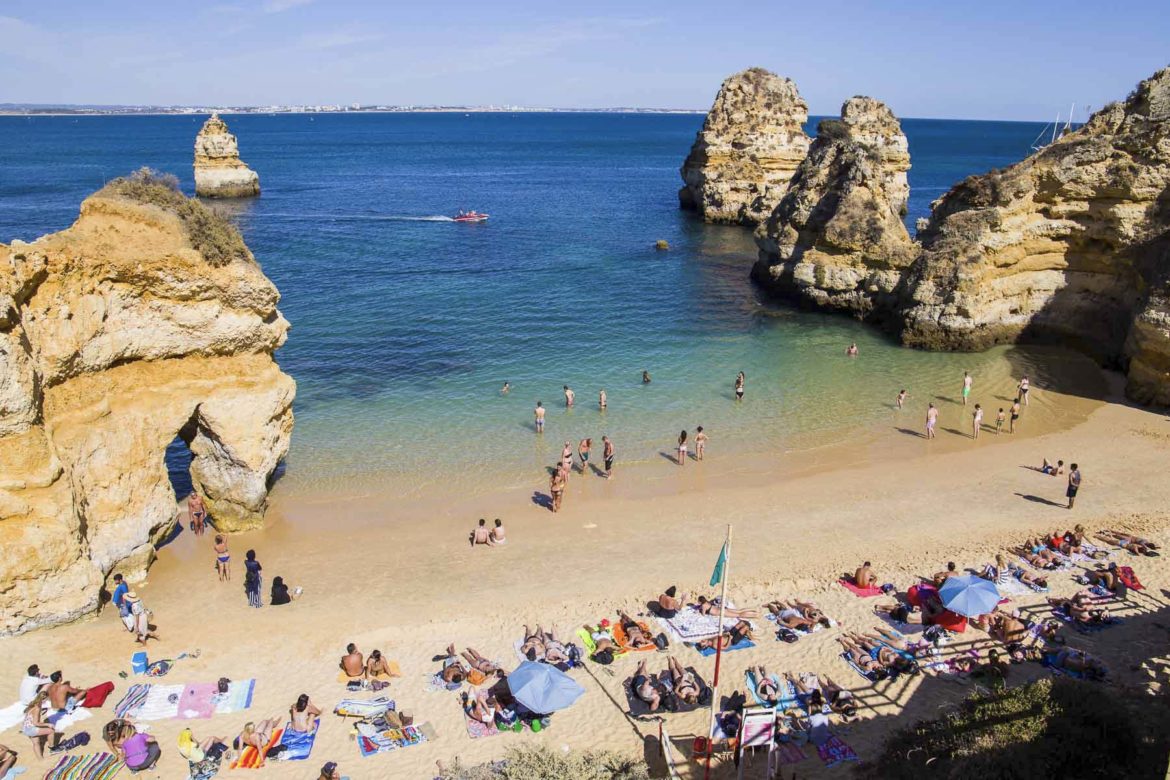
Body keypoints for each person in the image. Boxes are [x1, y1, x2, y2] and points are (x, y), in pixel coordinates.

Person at [21, 693, 56, 758]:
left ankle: (40, 759)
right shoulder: (37, 708)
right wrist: (48, 724)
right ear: (43, 699)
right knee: (51, 731)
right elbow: (35, 723)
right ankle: (52, 749)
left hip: (25, 728)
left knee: (36, 743)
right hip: (31, 728)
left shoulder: (32, 705)